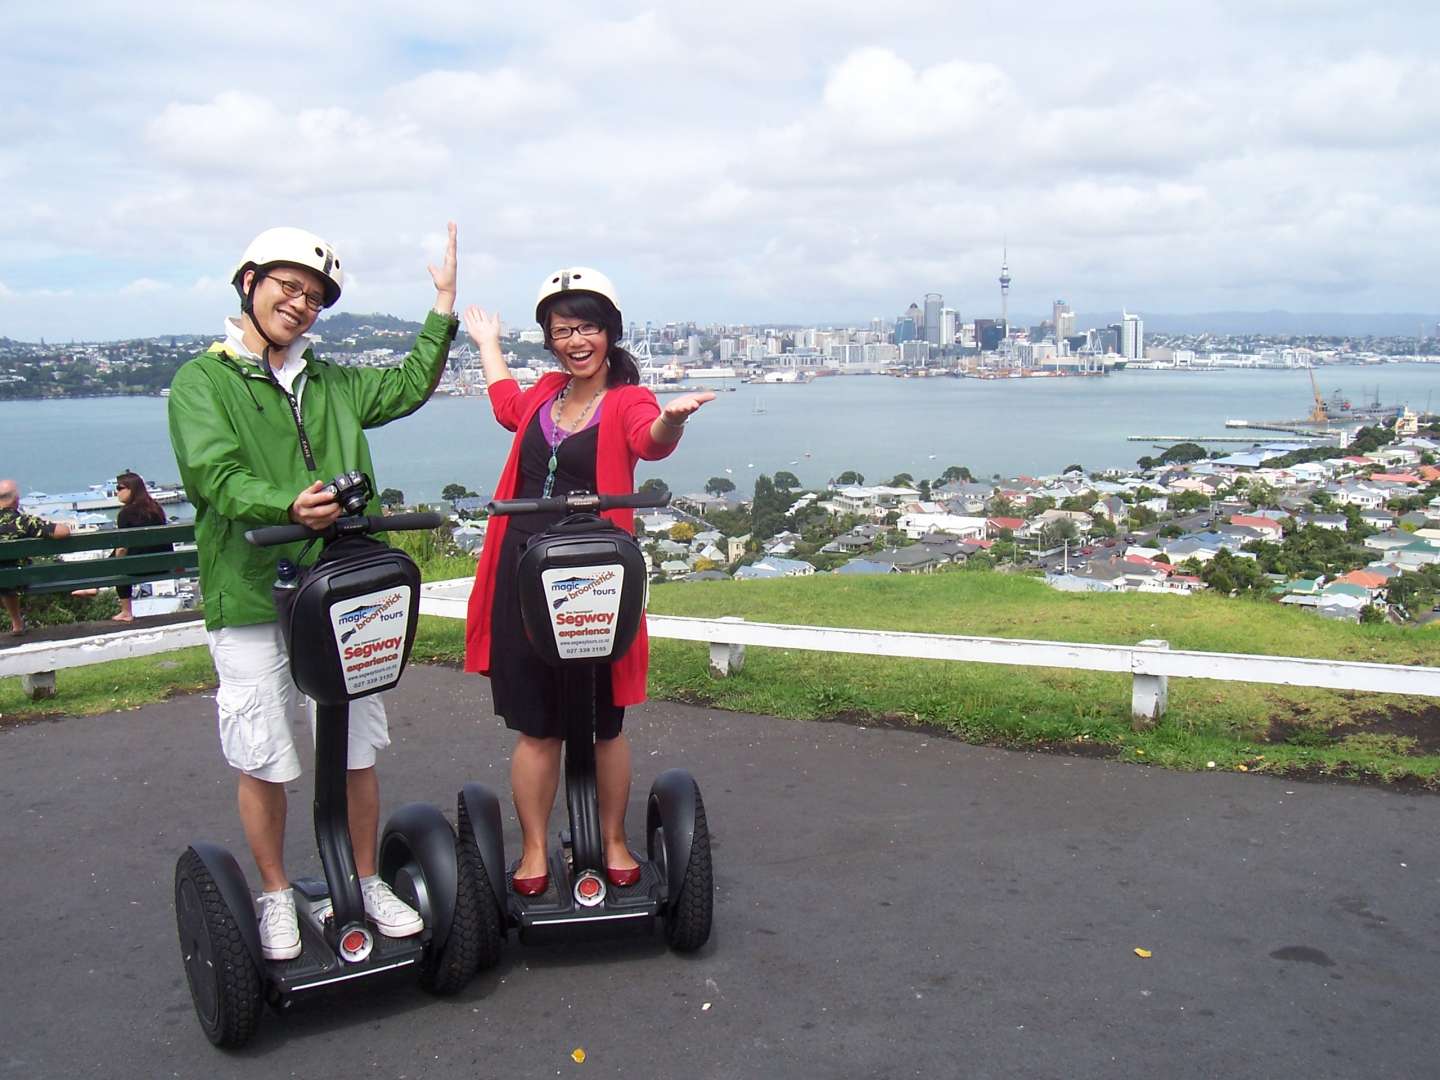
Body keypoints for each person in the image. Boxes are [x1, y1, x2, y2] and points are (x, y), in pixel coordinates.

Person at [167, 223, 459, 960]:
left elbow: (406, 386)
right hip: (251, 591)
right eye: (287, 287)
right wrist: (288, 505)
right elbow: (214, 476)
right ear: (248, 283)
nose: (300, 304)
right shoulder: (203, 381)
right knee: (263, 751)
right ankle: (273, 895)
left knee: (357, 745)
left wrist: (443, 308)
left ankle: (363, 881)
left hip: (341, 590)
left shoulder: (332, 381)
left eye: (314, 297)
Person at [462, 268, 713, 896]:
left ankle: (614, 838)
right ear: (550, 339)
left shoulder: (628, 399)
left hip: (595, 575)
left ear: (610, 333)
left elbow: (648, 443)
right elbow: (503, 402)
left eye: (588, 328)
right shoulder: (545, 392)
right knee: (537, 723)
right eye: (563, 330)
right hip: (523, 569)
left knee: (604, 721)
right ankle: (536, 849)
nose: (577, 341)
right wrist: (488, 343)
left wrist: (674, 421)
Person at [0, 479, 72, 635]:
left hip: (5, 580)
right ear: (16, 501)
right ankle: (17, 624)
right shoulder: (23, 522)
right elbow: (63, 531)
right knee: (9, 578)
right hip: (18, 579)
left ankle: (17, 623)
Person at [110, 471, 169, 622]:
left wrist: (115, 562)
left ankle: (126, 611)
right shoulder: (156, 509)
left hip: (138, 568)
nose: (117, 492)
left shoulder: (125, 514)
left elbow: (122, 548)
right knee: (118, 557)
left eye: (119, 488)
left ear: (132, 489)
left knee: (119, 565)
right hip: (164, 564)